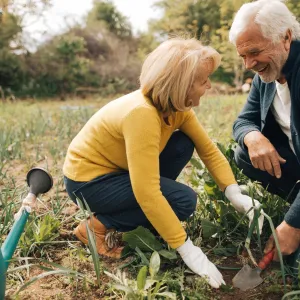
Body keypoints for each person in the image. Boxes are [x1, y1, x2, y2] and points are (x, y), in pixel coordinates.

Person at [63, 37, 263, 288]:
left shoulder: (177, 109)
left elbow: (208, 151)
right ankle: (96, 226)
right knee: (182, 201)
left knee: (182, 145)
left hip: (119, 171)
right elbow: (147, 192)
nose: (209, 86)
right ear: (181, 85)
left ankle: (151, 217)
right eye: (203, 81)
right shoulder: (142, 114)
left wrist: (234, 192)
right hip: (89, 181)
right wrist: (187, 249)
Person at [229, 0, 300, 261]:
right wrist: (252, 135)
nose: (248, 64)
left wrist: (293, 224)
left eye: (254, 52)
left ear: (286, 37)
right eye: (243, 56)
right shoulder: (267, 75)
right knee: (244, 153)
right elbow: (243, 120)